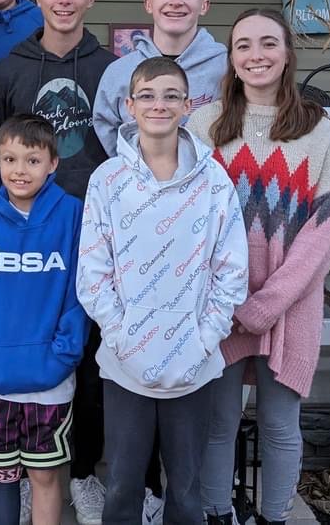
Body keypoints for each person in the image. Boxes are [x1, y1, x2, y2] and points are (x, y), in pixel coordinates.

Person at [187, 9, 330, 525]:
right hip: (217, 305)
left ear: (287, 54)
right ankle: (216, 514)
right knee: (218, 423)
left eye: (268, 44)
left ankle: (274, 516)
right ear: (231, 58)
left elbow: (322, 235)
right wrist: (227, 302)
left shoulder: (319, 132)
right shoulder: (202, 125)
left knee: (281, 425)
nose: (256, 56)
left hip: (290, 304)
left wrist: (266, 305)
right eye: (244, 46)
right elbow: (184, 219)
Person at [77, 57, 249, 525]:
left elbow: (231, 269)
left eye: (171, 95)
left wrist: (204, 338)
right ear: (129, 106)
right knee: (122, 488)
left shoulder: (213, 181)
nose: (160, 104)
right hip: (124, 363)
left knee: (187, 493)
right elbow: (92, 274)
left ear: (188, 105)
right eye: (148, 95)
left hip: (194, 361)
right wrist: (123, 337)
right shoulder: (107, 181)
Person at [0, 0, 115, 524]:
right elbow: (0, 152)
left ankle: (84, 474)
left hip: (96, 231)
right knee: (33, 349)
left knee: (89, 360)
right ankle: (22, 471)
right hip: (29, 234)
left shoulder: (112, 69)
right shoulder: (11, 66)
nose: (64, 1)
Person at [0, 113, 89, 525]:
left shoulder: (72, 215)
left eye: (32, 160)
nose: (19, 170)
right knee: (3, 474)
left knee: (45, 475)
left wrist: (64, 353)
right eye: (9, 159)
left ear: (53, 163)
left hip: (51, 378)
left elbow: (80, 293)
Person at [92, 0, 227, 157]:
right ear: (148, 3)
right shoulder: (119, 73)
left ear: (204, 5)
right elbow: (106, 128)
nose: (175, 1)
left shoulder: (226, 67)